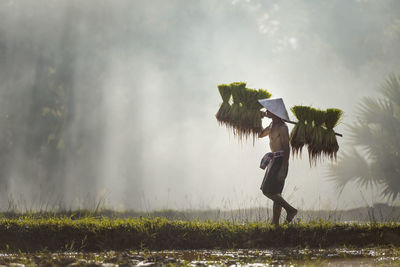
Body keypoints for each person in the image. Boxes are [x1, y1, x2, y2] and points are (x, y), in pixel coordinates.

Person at [258, 98, 297, 226]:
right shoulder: (272, 125)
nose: (266, 111)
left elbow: (286, 148)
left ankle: (290, 210)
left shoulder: (282, 127)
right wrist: (260, 118)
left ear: (275, 112)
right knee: (276, 193)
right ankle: (275, 223)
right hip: (273, 160)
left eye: (268, 110)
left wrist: (283, 168)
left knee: (267, 190)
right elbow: (260, 134)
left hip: (280, 161)